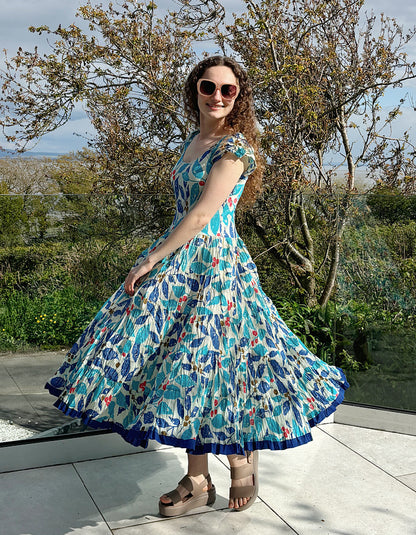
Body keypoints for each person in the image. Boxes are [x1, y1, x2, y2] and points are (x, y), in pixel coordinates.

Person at [45, 55, 349, 516]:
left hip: (216, 269)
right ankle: (199, 478)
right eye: (209, 87)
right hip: (180, 261)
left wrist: (150, 258)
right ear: (196, 91)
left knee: (216, 364)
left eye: (229, 90)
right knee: (177, 366)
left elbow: (204, 214)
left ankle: (240, 461)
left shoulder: (235, 149)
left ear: (239, 96)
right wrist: (161, 257)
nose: (219, 97)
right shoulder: (194, 140)